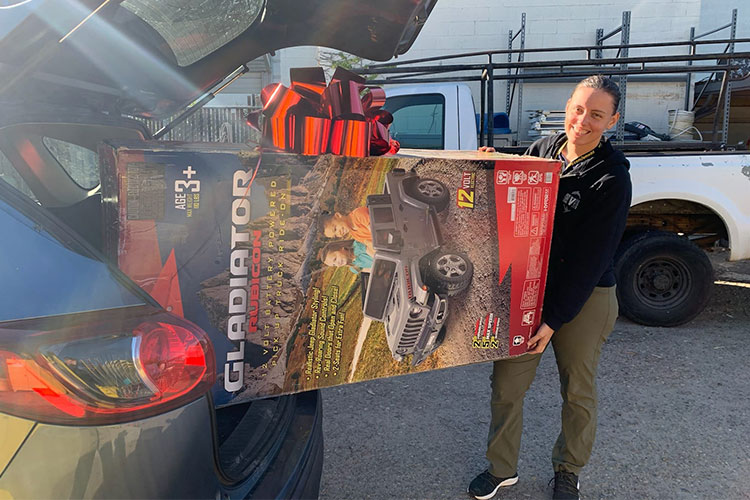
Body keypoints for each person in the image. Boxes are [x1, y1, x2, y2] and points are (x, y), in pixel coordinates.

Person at [469, 75, 632, 500]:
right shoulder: (543, 151)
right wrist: (492, 162)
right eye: (578, 109)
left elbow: (591, 259)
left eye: (596, 114)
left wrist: (555, 319)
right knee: (507, 386)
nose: (583, 120)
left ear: (612, 121)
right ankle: (501, 468)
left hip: (586, 295)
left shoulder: (612, 179)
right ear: (567, 106)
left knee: (577, 389)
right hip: (529, 287)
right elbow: (516, 191)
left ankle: (568, 470)